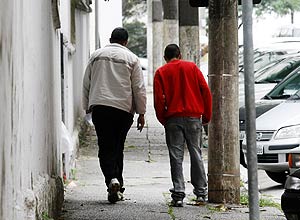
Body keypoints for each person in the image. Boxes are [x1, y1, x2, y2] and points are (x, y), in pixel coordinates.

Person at [82, 27, 147, 203]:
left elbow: (86, 82)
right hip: (123, 110)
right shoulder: (132, 59)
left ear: (110, 38)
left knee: (105, 146)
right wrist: (141, 112)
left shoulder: (96, 55)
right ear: (126, 42)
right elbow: (139, 88)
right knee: (118, 146)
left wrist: (86, 105)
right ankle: (118, 184)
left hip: (101, 107)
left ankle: (111, 179)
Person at [153, 44, 212, 207]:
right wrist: (206, 115)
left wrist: (163, 119)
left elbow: (159, 99)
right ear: (180, 55)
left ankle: (178, 193)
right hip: (193, 117)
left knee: (175, 155)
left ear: (165, 58)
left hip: (173, 118)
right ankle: (201, 193)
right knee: (196, 153)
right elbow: (205, 91)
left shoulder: (161, 72)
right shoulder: (192, 67)